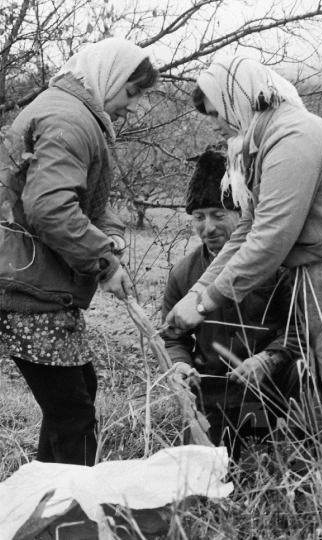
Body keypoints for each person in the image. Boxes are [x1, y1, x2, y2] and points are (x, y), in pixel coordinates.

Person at [165, 56, 322, 474]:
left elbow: (270, 240)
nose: (218, 126)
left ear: (235, 99)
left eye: (217, 113)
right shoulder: (266, 140)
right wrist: (194, 294)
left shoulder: (291, 140)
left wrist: (203, 305)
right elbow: (247, 229)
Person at [0, 38, 159, 466]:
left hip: (35, 278)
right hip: (31, 285)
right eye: (131, 92)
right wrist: (103, 263)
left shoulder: (70, 112)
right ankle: (73, 523)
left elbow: (78, 197)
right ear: (108, 75)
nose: (133, 106)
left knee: (75, 397)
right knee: (73, 412)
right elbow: (50, 208)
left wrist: (108, 235)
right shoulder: (69, 119)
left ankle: (47, 510)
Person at [162, 148, 305, 463]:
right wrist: (179, 364)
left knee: (275, 468)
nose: (207, 228)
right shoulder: (184, 273)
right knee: (211, 477)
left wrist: (269, 359)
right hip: (213, 400)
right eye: (199, 217)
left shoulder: (279, 267)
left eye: (218, 214)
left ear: (242, 216)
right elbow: (173, 336)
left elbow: (304, 327)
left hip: (273, 396)